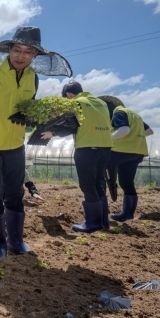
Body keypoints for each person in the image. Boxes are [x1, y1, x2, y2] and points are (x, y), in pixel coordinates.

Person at [0, 27, 67, 261]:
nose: (21, 56)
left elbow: (28, 108)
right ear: (9, 50)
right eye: (17, 50)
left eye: (28, 52)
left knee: (15, 193)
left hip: (15, 146)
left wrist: (42, 122)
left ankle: (16, 241)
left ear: (34, 56)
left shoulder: (33, 78)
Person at [42, 81, 113, 233]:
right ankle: (104, 221)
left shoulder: (76, 103)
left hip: (87, 148)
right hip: (106, 147)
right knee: (98, 183)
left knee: (88, 186)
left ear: (69, 95)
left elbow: (70, 126)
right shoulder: (100, 102)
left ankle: (93, 223)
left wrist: (52, 133)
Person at [102, 98, 153, 221]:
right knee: (126, 182)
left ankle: (101, 210)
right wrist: (133, 138)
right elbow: (149, 131)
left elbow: (124, 130)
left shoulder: (118, 112)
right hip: (137, 152)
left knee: (98, 171)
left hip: (121, 151)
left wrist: (108, 139)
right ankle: (127, 214)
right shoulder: (135, 115)